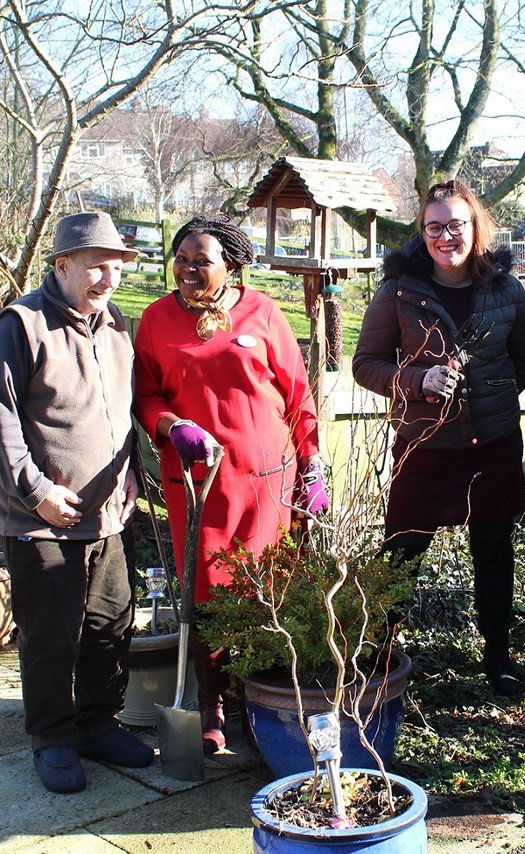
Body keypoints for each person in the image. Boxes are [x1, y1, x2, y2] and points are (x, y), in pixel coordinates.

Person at [132, 214, 326, 753]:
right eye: (182, 259)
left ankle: (263, 697)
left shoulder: (262, 311)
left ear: (232, 265)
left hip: (268, 482)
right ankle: (212, 703)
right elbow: (146, 395)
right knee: (206, 591)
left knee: (270, 589)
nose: (189, 269)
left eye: (203, 260)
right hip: (197, 484)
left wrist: (313, 468)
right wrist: (173, 427)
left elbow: (297, 395)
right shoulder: (154, 319)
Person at [0, 211, 151, 794]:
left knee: (111, 622)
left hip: (106, 512)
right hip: (41, 518)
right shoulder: (21, 325)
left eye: (117, 266)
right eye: (96, 266)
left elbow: (121, 415)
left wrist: (131, 478)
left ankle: (97, 723)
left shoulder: (115, 325)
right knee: (51, 633)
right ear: (62, 265)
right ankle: (52, 738)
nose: (108, 277)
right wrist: (37, 491)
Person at [352, 179, 525, 698]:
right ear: (423, 231)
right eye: (434, 227)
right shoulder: (398, 292)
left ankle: (498, 657)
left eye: (455, 225)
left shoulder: (505, 289)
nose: (445, 236)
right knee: (400, 553)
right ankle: (380, 653)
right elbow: (365, 364)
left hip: (491, 447)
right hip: (424, 446)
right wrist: (417, 382)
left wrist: (490, 398)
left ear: (474, 227)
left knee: (493, 550)